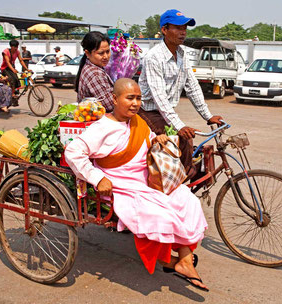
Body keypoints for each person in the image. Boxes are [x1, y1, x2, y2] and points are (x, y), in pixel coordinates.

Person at [65, 78, 209, 291]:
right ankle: (165, 260)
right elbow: (73, 152)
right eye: (129, 98)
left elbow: (146, 139)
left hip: (145, 179)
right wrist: (97, 178)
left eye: (139, 98)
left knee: (187, 199)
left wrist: (157, 138)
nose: (135, 103)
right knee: (160, 213)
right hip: (120, 184)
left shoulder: (138, 122)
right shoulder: (102, 126)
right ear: (114, 99)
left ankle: (185, 261)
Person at [138, 9, 223, 179]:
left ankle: (181, 176)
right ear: (164, 30)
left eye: (184, 28)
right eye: (177, 28)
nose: (182, 32)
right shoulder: (154, 57)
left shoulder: (182, 54)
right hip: (147, 111)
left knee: (188, 141)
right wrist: (179, 126)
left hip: (164, 112)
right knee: (183, 139)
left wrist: (208, 116)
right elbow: (159, 96)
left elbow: (192, 86)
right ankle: (178, 183)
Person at [75, 31, 114, 112]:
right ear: (87, 53)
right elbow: (109, 105)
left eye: (108, 51)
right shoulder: (95, 74)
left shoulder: (93, 67)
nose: (106, 56)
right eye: (101, 53)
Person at [1, 39, 30, 104]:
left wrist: (27, 69)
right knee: (12, 79)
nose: (16, 48)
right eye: (15, 47)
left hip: (12, 68)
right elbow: (7, 62)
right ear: (11, 46)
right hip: (5, 68)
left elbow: (21, 60)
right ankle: (12, 94)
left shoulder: (17, 52)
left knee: (17, 79)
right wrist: (13, 70)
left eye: (17, 47)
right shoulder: (6, 52)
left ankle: (15, 95)